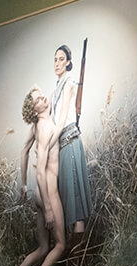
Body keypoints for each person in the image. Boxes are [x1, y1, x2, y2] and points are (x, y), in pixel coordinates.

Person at [3, 87, 66, 266]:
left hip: (38, 193)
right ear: (35, 109)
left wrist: (23, 185)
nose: (43, 97)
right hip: (48, 190)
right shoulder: (46, 127)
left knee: (42, 248)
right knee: (60, 245)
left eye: (42, 94)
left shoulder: (37, 127)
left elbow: (23, 151)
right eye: (38, 99)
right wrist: (48, 208)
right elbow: (40, 172)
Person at [49, 43, 93, 246]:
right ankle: (68, 264)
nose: (57, 63)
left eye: (61, 59)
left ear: (68, 62)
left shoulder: (69, 84)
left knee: (76, 210)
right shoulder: (55, 89)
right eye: (55, 59)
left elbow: (63, 119)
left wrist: (50, 143)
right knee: (66, 205)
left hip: (70, 143)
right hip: (61, 147)